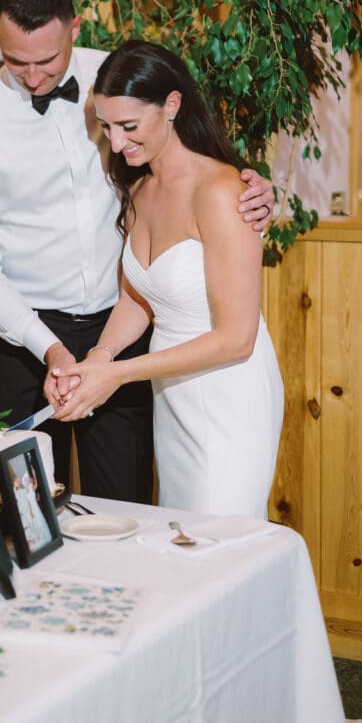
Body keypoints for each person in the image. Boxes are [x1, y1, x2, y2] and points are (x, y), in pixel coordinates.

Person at [0, 0, 275, 505]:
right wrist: (51, 349)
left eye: (46, 60)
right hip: (24, 335)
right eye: (14, 61)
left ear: (74, 28)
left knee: (125, 505)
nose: (32, 77)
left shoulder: (120, 87)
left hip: (120, 326)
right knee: (25, 508)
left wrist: (258, 194)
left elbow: (197, 170)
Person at [49, 40, 284, 518]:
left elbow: (237, 339)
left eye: (129, 127)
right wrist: (97, 358)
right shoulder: (140, 188)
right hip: (172, 392)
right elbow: (138, 299)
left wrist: (115, 375)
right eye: (107, 127)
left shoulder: (222, 192)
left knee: (222, 542)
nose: (115, 143)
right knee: (180, 534)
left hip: (229, 394)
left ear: (172, 105)